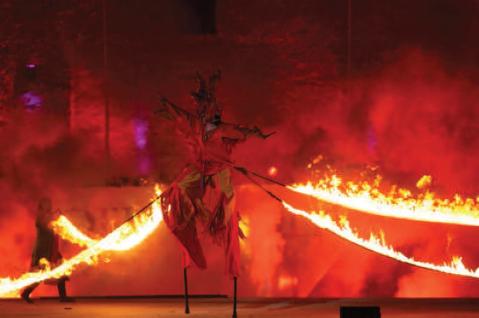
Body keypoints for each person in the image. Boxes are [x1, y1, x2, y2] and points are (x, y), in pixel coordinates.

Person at [157, 71, 273, 317]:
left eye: (207, 111)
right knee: (178, 187)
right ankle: (190, 211)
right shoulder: (196, 125)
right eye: (202, 109)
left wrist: (257, 134)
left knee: (228, 194)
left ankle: (224, 219)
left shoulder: (220, 129)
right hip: (199, 168)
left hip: (218, 167)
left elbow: (241, 131)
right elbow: (179, 115)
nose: (205, 114)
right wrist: (166, 106)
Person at [21, 197, 73, 303]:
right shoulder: (40, 218)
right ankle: (26, 293)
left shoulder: (48, 217)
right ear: (42, 206)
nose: (50, 206)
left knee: (61, 270)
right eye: (47, 205)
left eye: (50, 204)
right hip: (43, 251)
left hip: (51, 249)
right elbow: (45, 224)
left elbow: (55, 226)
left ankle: (63, 297)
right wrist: (55, 216)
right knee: (41, 273)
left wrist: (58, 216)